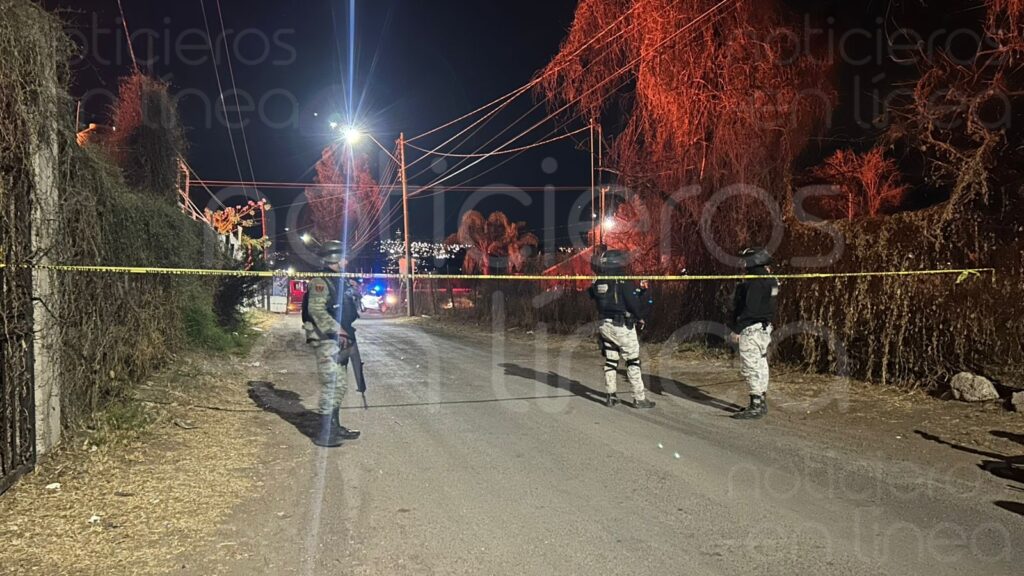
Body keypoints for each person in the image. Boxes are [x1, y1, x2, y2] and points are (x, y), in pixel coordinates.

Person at [302, 240, 362, 443]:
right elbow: (316, 310)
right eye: (343, 256)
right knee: (333, 385)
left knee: (340, 384)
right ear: (334, 257)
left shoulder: (338, 279)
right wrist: (339, 330)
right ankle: (325, 434)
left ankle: (334, 427)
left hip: (339, 339)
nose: (346, 260)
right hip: (326, 338)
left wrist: (354, 291)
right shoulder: (321, 281)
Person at [589, 249, 656, 409]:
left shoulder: (598, 281)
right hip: (622, 327)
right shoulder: (622, 281)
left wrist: (639, 291)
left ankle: (611, 396)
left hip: (605, 325)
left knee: (611, 361)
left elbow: (595, 295)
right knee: (633, 361)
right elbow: (633, 305)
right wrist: (643, 304)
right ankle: (639, 398)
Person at [729, 247, 780, 420]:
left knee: (750, 366)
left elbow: (750, 307)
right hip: (765, 328)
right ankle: (761, 401)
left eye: (746, 260)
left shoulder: (754, 281)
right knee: (761, 363)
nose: (743, 263)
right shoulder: (772, 280)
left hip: (750, 329)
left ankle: (755, 404)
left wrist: (737, 329)